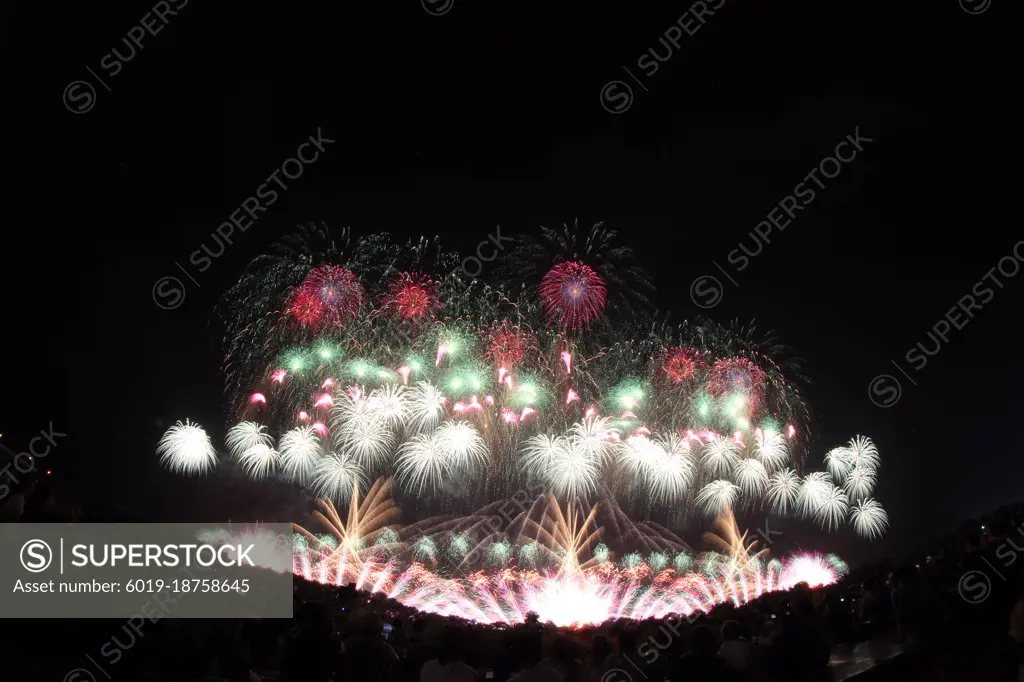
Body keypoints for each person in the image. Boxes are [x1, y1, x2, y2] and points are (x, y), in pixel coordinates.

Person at [342, 612, 400, 682]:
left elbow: (342, 660)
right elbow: (396, 662)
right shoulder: (385, 647)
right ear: (379, 628)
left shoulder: (350, 642)